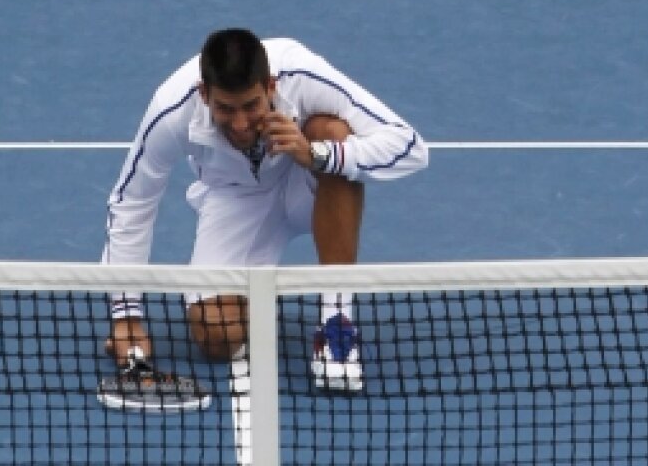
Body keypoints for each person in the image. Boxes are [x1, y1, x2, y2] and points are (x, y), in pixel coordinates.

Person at [101, 27, 428, 392]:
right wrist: (126, 315)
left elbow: (410, 146)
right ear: (204, 94)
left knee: (332, 132)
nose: (240, 124)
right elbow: (133, 201)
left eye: (250, 106)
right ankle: (253, 294)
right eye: (225, 108)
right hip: (236, 199)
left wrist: (316, 154)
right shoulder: (172, 109)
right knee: (216, 335)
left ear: (271, 87)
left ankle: (337, 320)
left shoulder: (303, 76)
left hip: (307, 181)